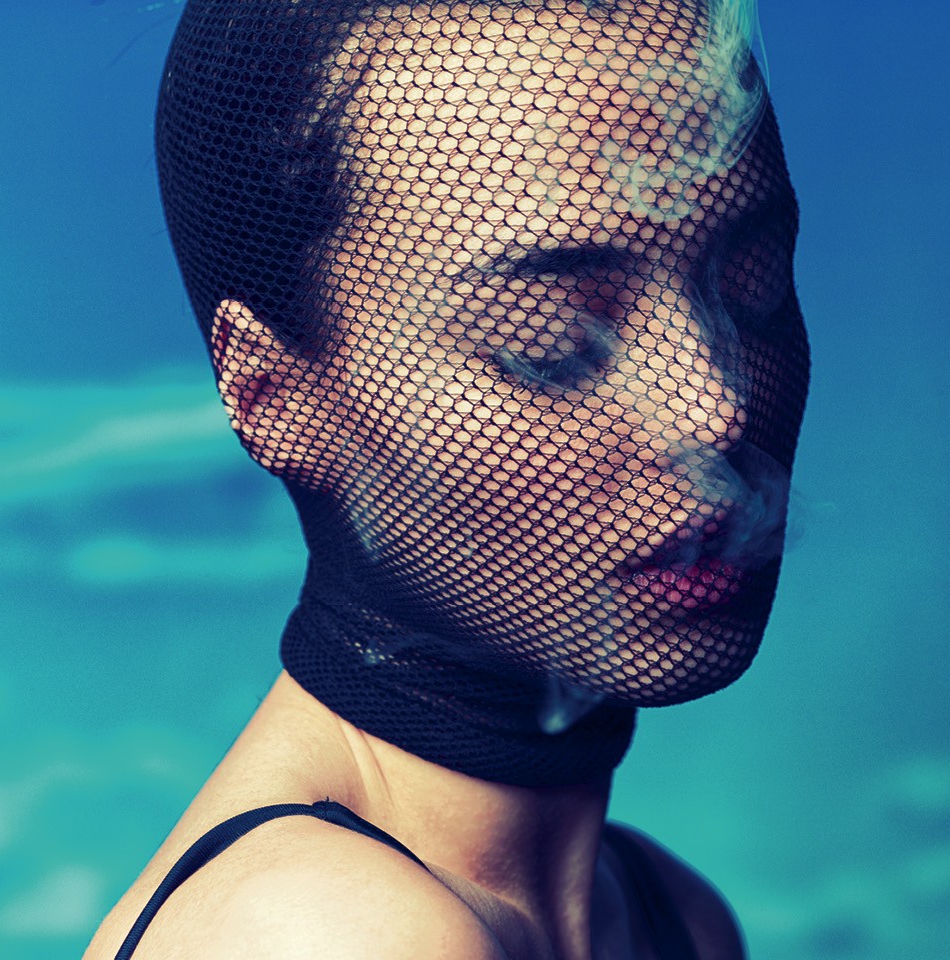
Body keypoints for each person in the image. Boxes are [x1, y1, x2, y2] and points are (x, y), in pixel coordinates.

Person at [84, 0, 809, 957]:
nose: (712, 408)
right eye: (551, 342)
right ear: (277, 398)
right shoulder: (328, 934)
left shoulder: (675, 915)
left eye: (753, 285)